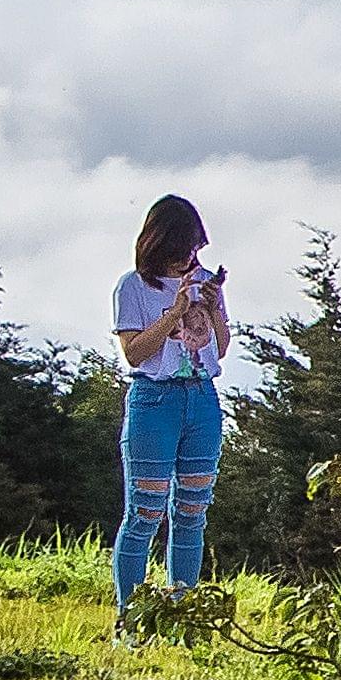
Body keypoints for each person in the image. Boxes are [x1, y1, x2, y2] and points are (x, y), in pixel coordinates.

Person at [109, 194, 232, 625]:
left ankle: (182, 614)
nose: (191, 260)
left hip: (201, 399)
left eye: (196, 251)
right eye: (184, 251)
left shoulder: (202, 283)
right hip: (153, 400)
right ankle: (131, 619)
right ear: (160, 244)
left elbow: (221, 347)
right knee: (145, 511)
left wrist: (214, 306)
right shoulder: (132, 286)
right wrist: (174, 313)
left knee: (192, 511)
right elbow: (135, 353)